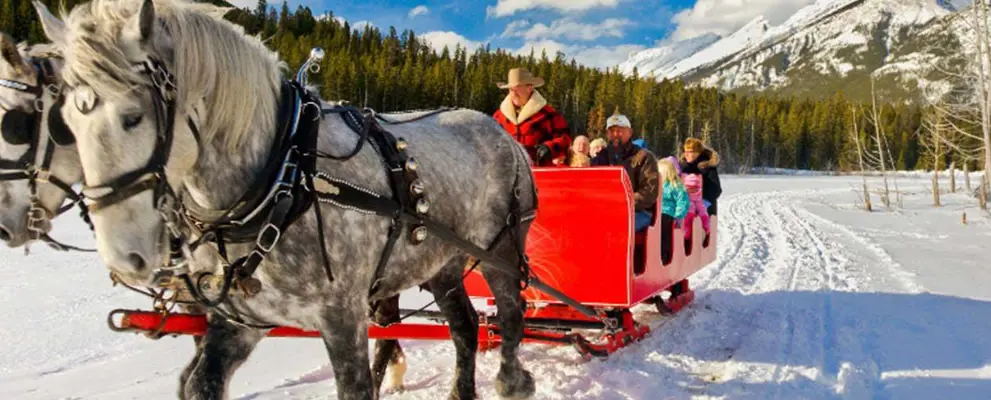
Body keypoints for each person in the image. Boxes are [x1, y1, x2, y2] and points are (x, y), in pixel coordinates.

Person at [592, 113, 659, 232]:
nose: (616, 134)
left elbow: (649, 192)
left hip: (638, 211)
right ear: (607, 134)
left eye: (620, 130)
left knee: (616, 226)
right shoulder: (600, 158)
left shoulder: (644, 157)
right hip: (606, 210)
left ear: (630, 132)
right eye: (612, 131)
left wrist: (623, 203)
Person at [492, 68, 572, 166]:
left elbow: (565, 138)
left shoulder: (547, 114)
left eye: (517, 88)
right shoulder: (499, 116)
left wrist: (549, 148)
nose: (513, 93)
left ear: (529, 87)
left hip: (539, 174)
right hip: (507, 174)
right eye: (511, 89)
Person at [658, 158, 689, 264]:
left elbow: (682, 201)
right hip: (656, 213)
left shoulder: (675, 185)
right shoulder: (657, 185)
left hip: (667, 214)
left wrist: (679, 216)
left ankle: (664, 254)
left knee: (664, 232)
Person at [679, 138, 722, 216]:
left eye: (689, 152)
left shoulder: (707, 166)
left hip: (706, 211)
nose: (686, 154)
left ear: (697, 153)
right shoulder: (684, 166)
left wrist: (703, 203)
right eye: (685, 151)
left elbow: (716, 189)